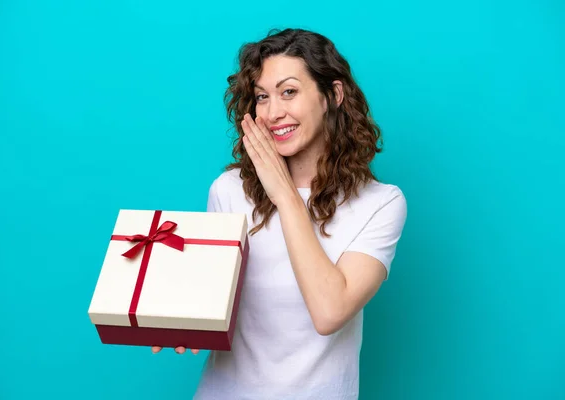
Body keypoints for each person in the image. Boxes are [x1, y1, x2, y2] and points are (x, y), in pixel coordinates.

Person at [152, 28, 407, 400]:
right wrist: (179, 324)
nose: (273, 113)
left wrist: (286, 197)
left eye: (289, 91)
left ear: (332, 96)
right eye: (262, 97)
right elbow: (213, 298)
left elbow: (329, 312)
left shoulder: (380, 203)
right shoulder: (229, 190)